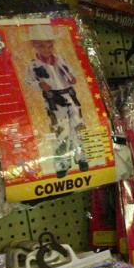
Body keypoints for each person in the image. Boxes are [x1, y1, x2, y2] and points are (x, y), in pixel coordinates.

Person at [25, 23, 88, 178]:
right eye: (42, 46)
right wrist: (40, 84)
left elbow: (72, 73)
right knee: (61, 131)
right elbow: (28, 81)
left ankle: (81, 157)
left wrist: (73, 78)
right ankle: (62, 163)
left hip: (70, 95)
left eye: (49, 46)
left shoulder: (60, 60)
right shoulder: (33, 65)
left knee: (78, 126)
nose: (47, 49)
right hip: (53, 98)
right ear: (35, 46)